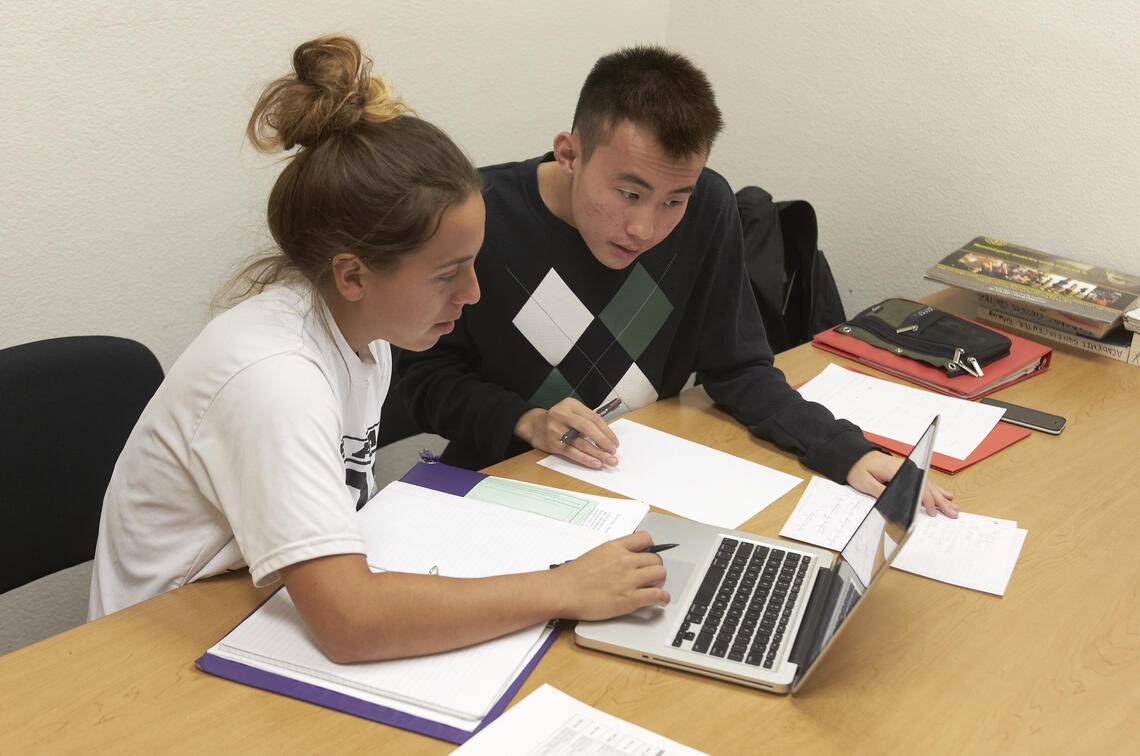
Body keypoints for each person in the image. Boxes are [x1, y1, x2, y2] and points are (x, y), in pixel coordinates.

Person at [89, 35, 669, 663]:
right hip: (159, 653)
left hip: (260, 604)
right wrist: (563, 588)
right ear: (354, 275)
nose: (472, 294)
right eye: (449, 274)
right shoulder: (275, 381)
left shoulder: (364, 334)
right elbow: (350, 623)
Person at [395, 45, 956, 517]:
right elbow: (422, 377)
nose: (644, 228)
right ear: (569, 154)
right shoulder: (480, 217)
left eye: (673, 201)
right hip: (501, 488)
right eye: (628, 193)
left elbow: (736, 366)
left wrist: (843, 450)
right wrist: (526, 419)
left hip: (637, 484)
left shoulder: (710, 207)